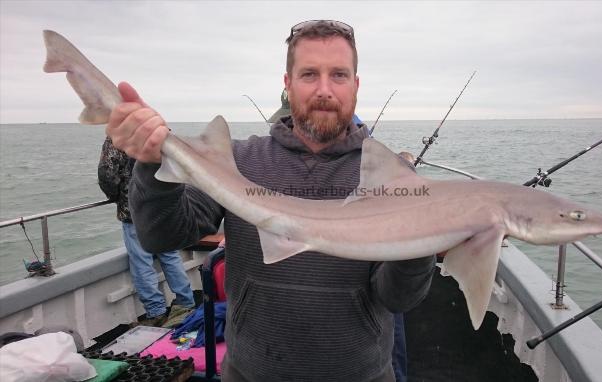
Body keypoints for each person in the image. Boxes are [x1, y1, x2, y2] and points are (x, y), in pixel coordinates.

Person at [106, 20, 435, 382]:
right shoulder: (239, 162)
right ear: (287, 84)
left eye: (338, 75)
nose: (324, 89)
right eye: (309, 74)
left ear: (356, 85)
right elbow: (161, 236)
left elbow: (396, 299)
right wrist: (152, 165)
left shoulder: (390, 179)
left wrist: (422, 242)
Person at [98, 138, 195, 327]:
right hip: (164, 208)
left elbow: (107, 174)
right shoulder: (157, 133)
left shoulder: (117, 138)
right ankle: (186, 302)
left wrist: (117, 196)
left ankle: (156, 311)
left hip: (136, 211)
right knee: (171, 255)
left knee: (142, 262)